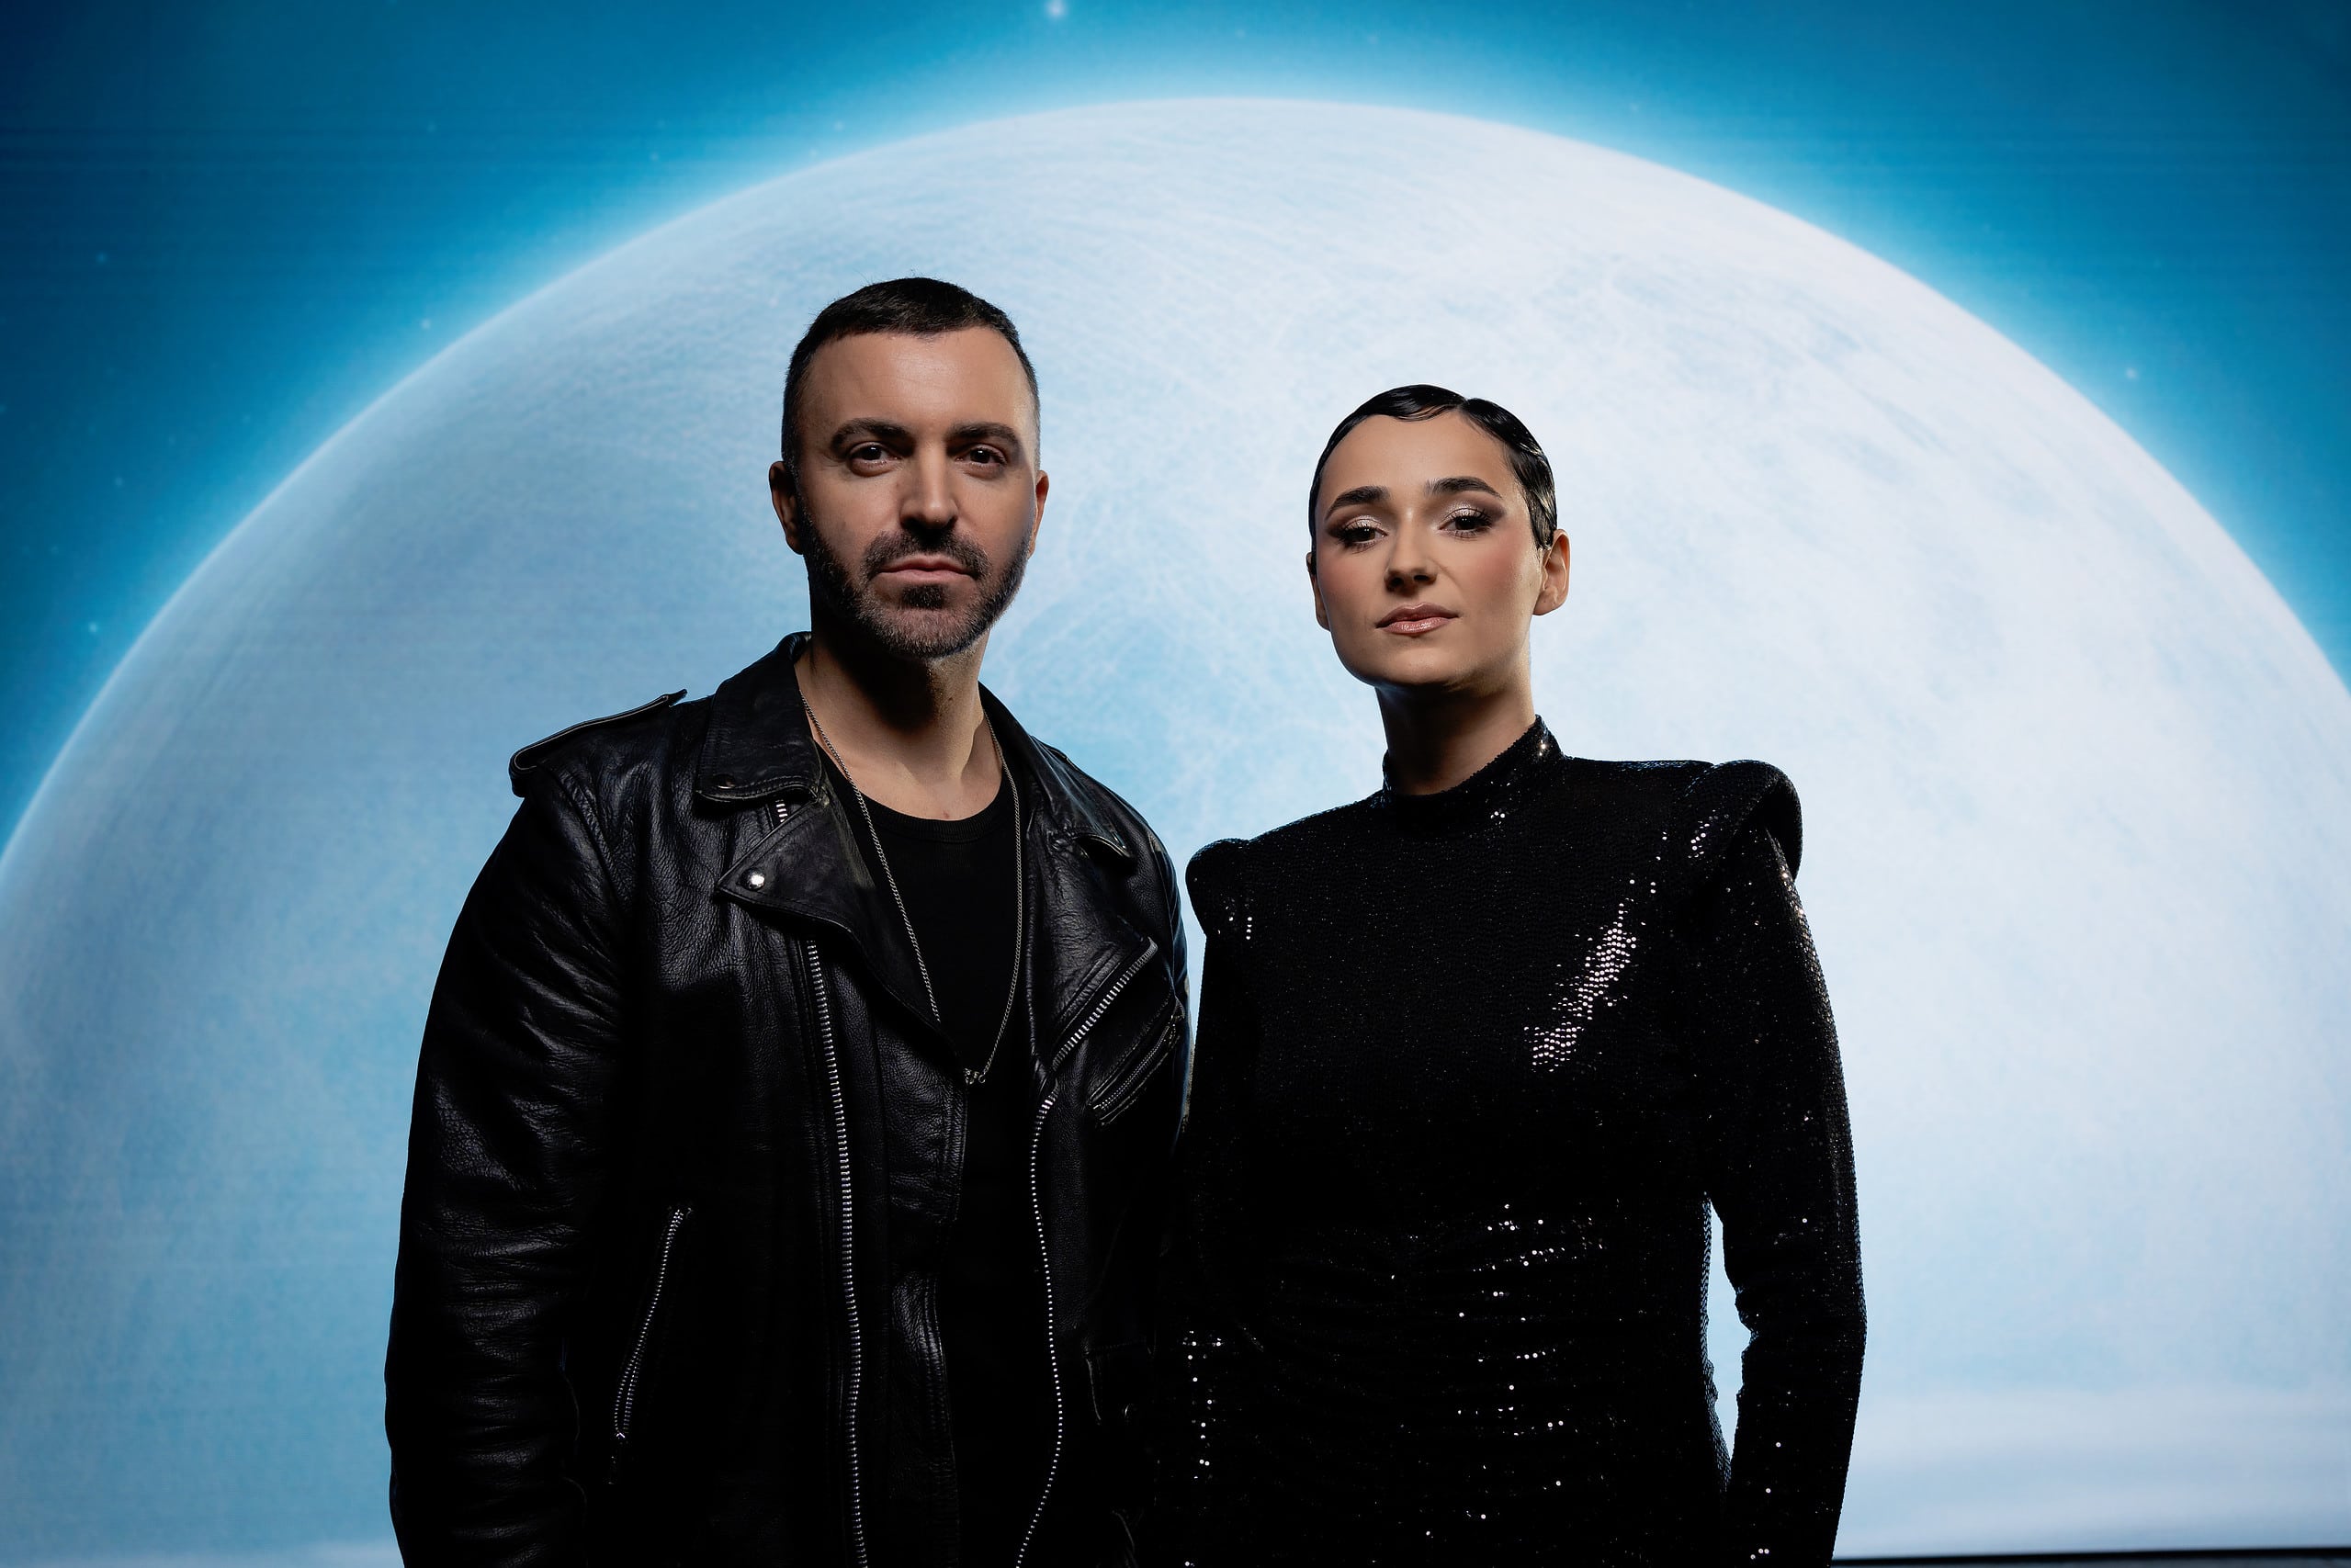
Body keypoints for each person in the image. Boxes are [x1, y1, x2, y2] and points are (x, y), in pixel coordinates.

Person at [386, 278, 1190, 1568]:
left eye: (980, 454)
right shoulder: (618, 829)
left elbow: (1145, 1316)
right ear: (788, 501)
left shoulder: (1117, 868)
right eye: (871, 451)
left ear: (1034, 504)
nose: (931, 501)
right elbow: (476, 1334)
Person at [1149, 386, 1865, 1564]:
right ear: (1320, 587)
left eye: (1464, 518)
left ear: (1551, 568)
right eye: (1360, 529)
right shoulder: (1264, 897)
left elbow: (1808, 1301)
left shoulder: (1689, 847)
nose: (1407, 562)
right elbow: (1204, 1320)